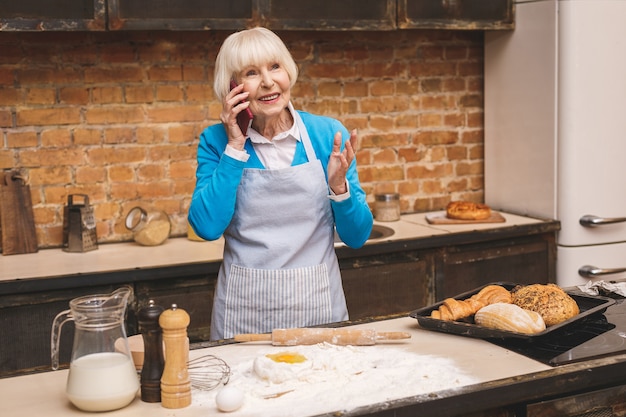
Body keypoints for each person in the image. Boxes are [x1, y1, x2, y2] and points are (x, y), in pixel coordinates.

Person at [188, 27, 373, 340]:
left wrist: (339, 189)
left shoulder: (328, 135)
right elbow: (206, 227)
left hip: (317, 310)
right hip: (245, 315)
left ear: (289, 72)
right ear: (232, 88)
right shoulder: (216, 141)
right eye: (251, 72)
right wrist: (234, 147)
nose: (268, 82)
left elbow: (357, 236)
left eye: (275, 67)